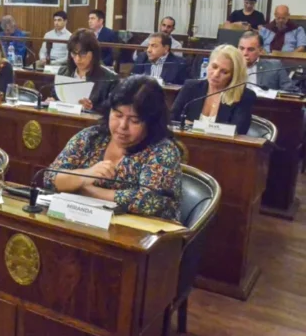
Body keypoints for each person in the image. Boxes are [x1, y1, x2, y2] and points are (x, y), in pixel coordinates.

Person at [42, 76, 182, 221]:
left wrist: (84, 189)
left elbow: (150, 201)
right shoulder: (91, 137)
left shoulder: (163, 150)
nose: (123, 126)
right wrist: (85, 175)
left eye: (134, 120)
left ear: (152, 122)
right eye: (117, 115)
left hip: (140, 234)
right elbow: (50, 177)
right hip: (83, 224)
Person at [170, 45, 255, 134]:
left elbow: (238, 131)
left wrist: (193, 126)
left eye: (224, 72)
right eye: (214, 67)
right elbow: (171, 119)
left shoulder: (244, 96)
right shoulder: (191, 87)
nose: (215, 74)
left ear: (234, 76)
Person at [55, 29, 119, 111]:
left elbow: (112, 110)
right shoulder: (63, 72)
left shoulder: (110, 78)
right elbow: (56, 97)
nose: (78, 59)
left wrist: (93, 108)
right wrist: (52, 101)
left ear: (94, 52)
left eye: (82, 54)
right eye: (74, 53)